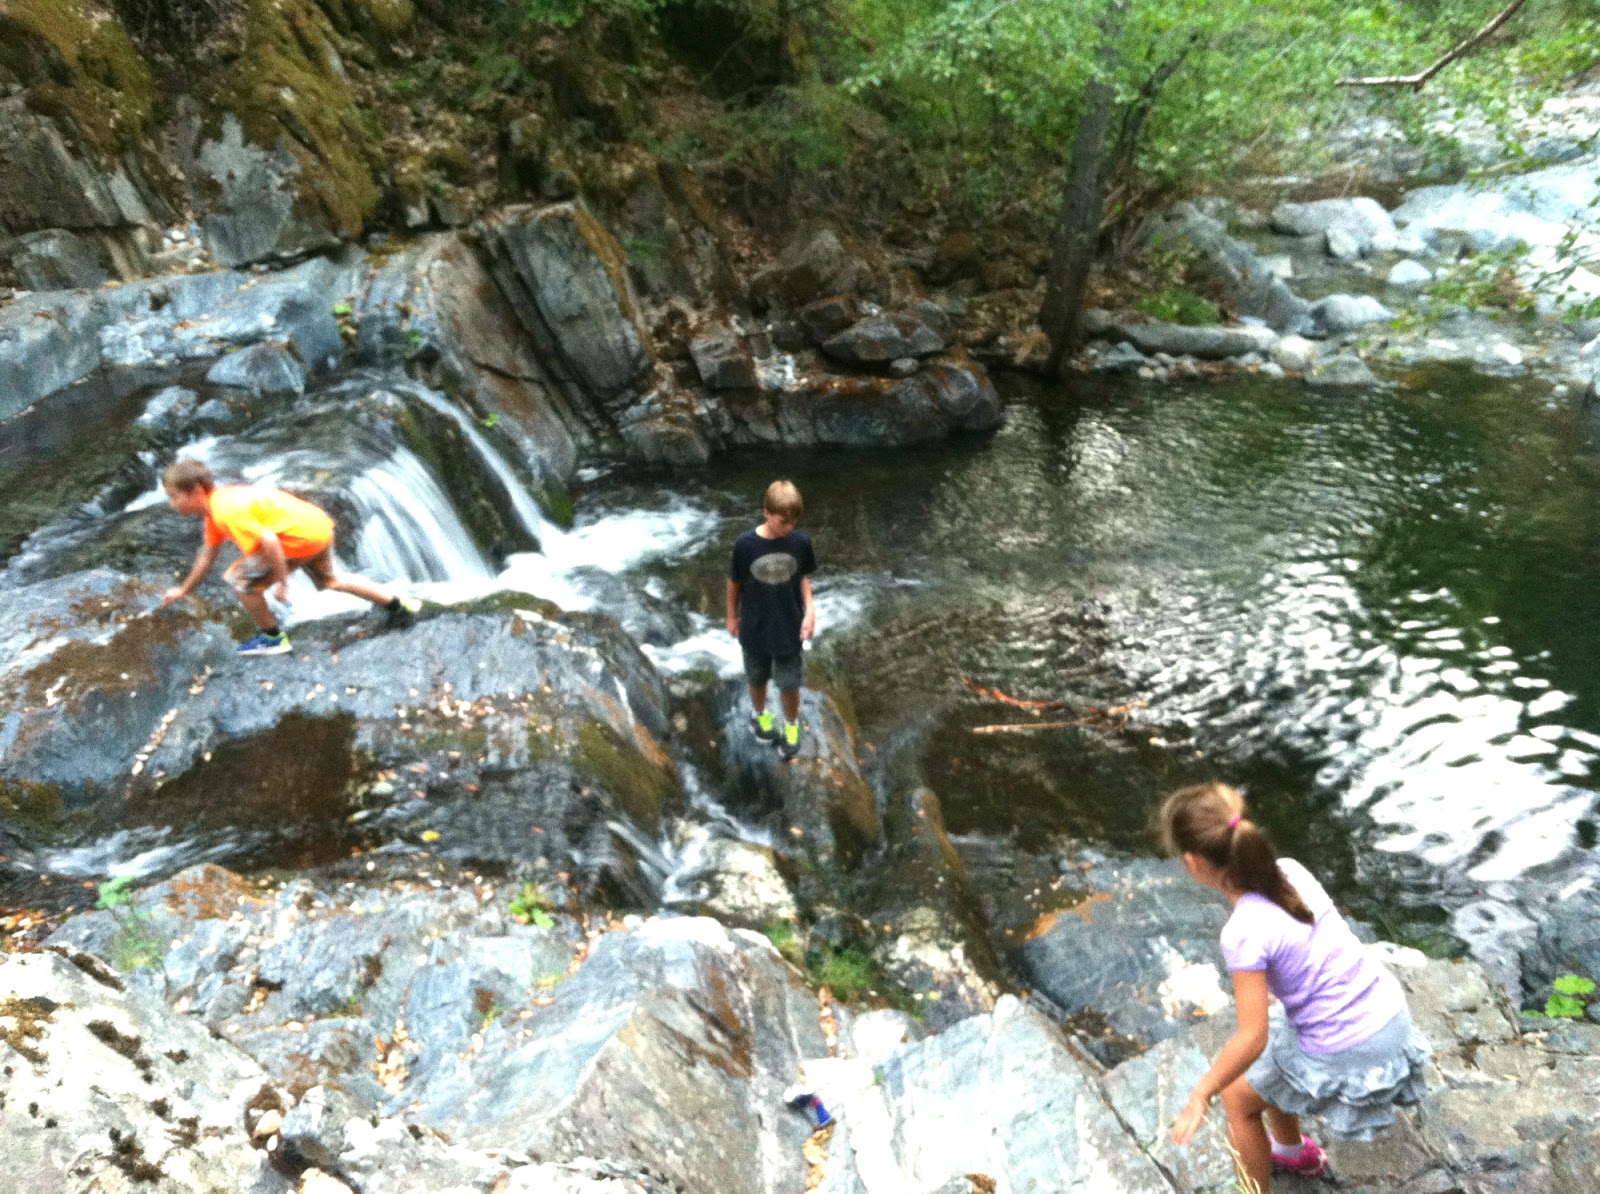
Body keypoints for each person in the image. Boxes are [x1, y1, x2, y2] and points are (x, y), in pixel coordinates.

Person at [1163, 783, 1429, 1191]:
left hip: (1353, 1044)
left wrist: (1201, 1093)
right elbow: (1305, 953)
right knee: (1275, 1060)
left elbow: (1252, 1036)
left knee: (1237, 1099)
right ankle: (1293, 1153)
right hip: (1390, 1013)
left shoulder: (1243, 932)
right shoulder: (1291, 870)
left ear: (1193, 862)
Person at [161, 459, 421, 656]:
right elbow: (207, 555)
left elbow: (271, 542)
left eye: (174, 496)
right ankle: (398, 605)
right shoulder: (219, 507)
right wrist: (183, 590)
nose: (172, 504)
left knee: (240, 581)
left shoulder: (226, 511)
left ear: (196, 491)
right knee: (331, 580)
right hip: (317, 529)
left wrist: (284, 583)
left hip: (296, 541)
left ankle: (273, 639)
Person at [727, 480, 816, 762]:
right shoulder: (745, 545)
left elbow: (802, 577)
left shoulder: (800, 543)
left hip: (789, 625)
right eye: (782, 522)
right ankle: (760, 715)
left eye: (793, 522)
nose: (788, 528)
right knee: (757, 676)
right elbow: (734, 582)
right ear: (766, 512)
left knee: (789, 682)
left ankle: (791, 725)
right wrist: (731, 616)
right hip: (754, 625)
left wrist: (811, 610)